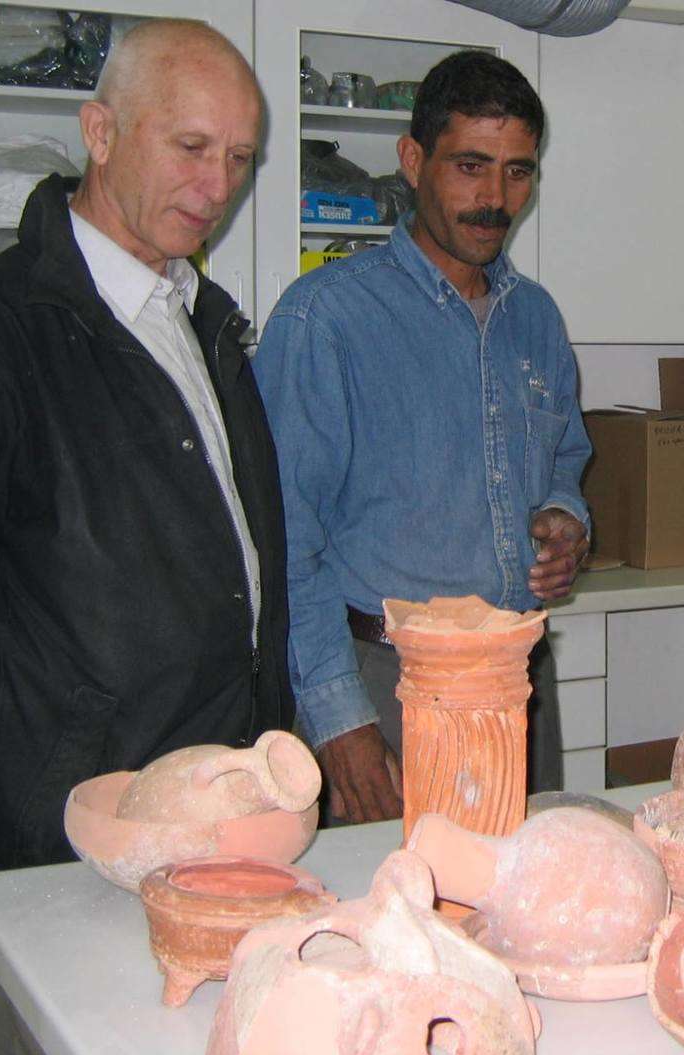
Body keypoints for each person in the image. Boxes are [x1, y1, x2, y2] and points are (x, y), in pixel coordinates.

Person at [0, 20, 292, 918]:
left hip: (221, 815)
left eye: (239, 157)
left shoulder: (196, 319)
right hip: (70, 845)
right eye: (192, 147)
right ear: (101, 132)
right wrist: (22, 770)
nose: (219, 188)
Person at [253, 50, 591, 823]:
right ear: (412, 160)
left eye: (517, 172)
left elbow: (566, 455)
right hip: (384, 684)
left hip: (517, 675)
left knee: (522, 886)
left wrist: (565, 517)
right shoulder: (325, 319)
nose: (495, 199)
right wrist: (340, 720)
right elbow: (285, 542)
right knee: (394, 896)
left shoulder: (536, 317)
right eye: (470, 166)